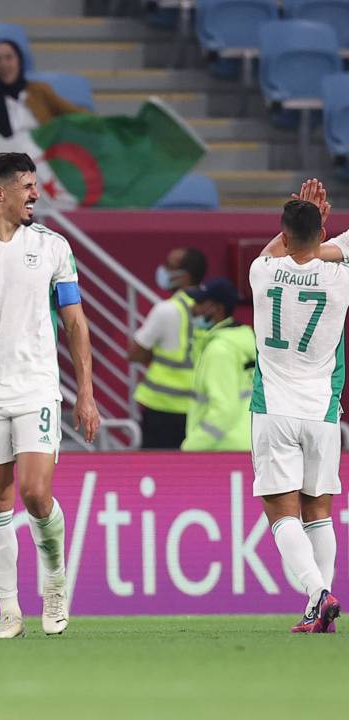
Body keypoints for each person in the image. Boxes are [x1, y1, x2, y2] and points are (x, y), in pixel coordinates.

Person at [0, 152, 100, 639]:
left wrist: (85, 393)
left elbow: (74, 320)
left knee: (35, 492)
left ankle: (54, 583)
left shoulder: (53, 247)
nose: (36, 194)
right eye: (28, 186)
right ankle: (9, 612)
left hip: (36, 390)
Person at [251, 183, 348, 633]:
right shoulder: (340, 273)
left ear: (283, 234)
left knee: (282, 513)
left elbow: (282, 246)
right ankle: (319, 607)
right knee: (319, 512)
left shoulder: (263, 270)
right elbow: (322, 248)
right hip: (323, 411)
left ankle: (317, 593)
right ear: (324, 230)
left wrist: (304, 220)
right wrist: (322, 227)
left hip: (274, 408)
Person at [128, 247, 207, 449]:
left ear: (185, 276)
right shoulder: (212, 309)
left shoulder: (166, 310)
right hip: (200, 407)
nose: (163, 269)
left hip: (161, 408)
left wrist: (152, 357)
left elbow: (135, 352)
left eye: (170, 266)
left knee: (157, 471)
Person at [181, 278, 255, 451]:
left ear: (217, 308)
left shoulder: (219, 350)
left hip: (223, 447)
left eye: (200, 302)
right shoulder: (245, 340)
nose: (193, 308)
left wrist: (191, 447)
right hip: (248, 443)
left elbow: (223, 409)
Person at [0, 39, 84, 146]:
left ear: (19, 61)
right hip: (8, 158)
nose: (3, 65)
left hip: (43, 153)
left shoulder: (40, 90)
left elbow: (70, 111)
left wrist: (96, 121)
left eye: (9, 58)